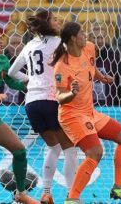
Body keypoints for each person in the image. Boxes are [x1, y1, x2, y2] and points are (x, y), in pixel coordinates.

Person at [52, 22, 121, 203]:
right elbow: (60, 98)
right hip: (71, 115)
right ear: (72, 39)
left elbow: (90, 67)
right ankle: (72, 199)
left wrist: (101, 77)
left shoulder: (89, 48)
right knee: (95, 152)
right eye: (82, 33)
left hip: (89, 112)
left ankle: (119, 187)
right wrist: (72, 93)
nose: (86, 36)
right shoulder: (62, 66)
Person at [7, 11, 78, 204]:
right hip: (51, 100)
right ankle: (72, 195)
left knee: (53, 147)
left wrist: (28, 79)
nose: (58, 21)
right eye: (55, 19)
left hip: (32, 103)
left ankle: (46, 193)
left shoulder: (30, 44)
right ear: (47, 23)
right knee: (70, 149)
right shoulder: (59, 43)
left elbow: (12, 72)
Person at [0, 28, 38, 204]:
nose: (1, 41)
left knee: (19, 150)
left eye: (1, 38)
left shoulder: (3, 61)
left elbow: (10, 82)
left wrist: (28, 86)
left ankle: (21, 193)